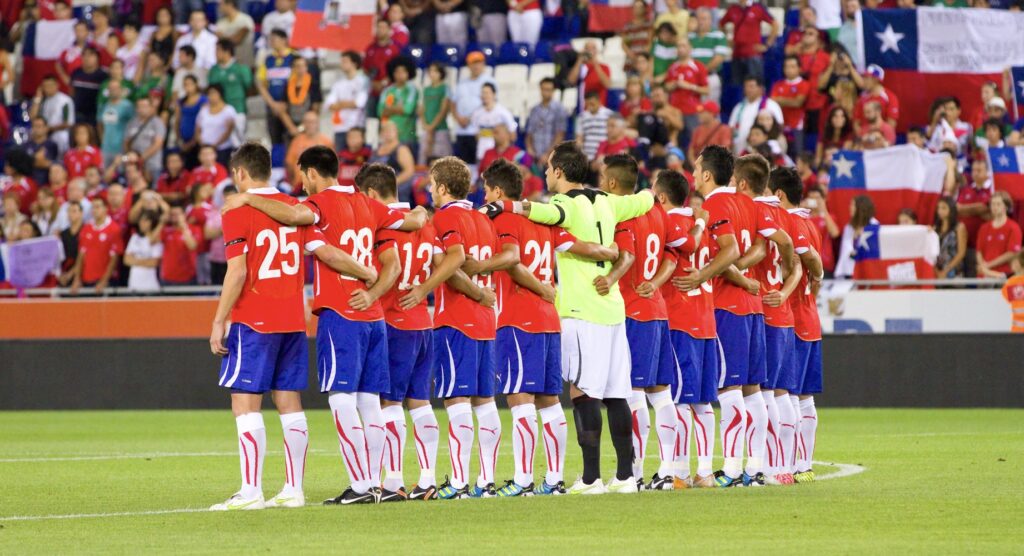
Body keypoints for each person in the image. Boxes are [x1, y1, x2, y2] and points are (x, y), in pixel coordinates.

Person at [222, 145, 426, 505]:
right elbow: (414, 223)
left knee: (342, 398)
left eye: (303, 175)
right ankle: (376, 482)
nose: (301, 183)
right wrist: (376, 285)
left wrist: (249, 201)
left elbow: (298, 221)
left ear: (312, 173)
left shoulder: (317, 207)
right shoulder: (369, 203)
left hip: (342, 310)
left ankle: (362, 485)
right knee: (370, 402)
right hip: (374, 316)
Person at [208, 142, 378, 511]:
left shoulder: (238, 209)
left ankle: (250, 491)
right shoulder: (297, 209)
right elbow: (321, 249)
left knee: (245, 402)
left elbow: (237, 271)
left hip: (254, 318)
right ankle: (292, 489)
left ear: (240, 173)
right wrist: (366, 271)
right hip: (293, 319)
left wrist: (220, 319)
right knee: (289, 403)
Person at [480, 142, 657, 495]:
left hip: (580, 310)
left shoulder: (564, 204)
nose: (546, 173)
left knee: (582, 393)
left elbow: (538, 212)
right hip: (613, 309)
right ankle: (625, 476)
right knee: (618, 394)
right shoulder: (609, 202)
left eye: (548, 168)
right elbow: (647, 198)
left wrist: (503, 205)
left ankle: (591, 478)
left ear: (559, 172)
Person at [377, 156, 495, 499]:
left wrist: (425, 289)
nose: (430, 190)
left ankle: (455, 483)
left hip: (455, 319)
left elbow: (453, 258)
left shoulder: (446, 217)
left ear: (443, 188)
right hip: (486, 319)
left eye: (432, 185)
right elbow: (502, 256)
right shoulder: (481, 217)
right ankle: (484, 481)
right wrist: (484, 293)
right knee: (484, 402)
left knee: (455, 400)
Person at [597, 155, 688, 490]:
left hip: (634, 312)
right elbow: (673, 254)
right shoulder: (657, 212)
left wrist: (610, 278)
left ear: (610, 183)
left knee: (633, 392)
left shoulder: (627, 214)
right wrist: (658, 282)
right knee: (660, 394)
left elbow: (626, 256)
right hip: (658, 311)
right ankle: (666, 470)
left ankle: (632, 472)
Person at [357, 163, 440, 501]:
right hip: (423, 321)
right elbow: (439, 262)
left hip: (393, 320)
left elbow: (390, 268)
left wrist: (372, 293)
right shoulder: (423, 223)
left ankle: (393, 481)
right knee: (420, 402)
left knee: (389, 402)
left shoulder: (384, 225)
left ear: (372, 194)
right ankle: (429, 478)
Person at [652, 170, 715, 488]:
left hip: (679, 319)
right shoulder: (699, 217)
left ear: (661, 197)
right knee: (702, 402)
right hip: (705, 317)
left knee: (676, 399)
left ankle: (679, 471)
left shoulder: (670, 223)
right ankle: (704, 472)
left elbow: (682, 252)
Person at [750, 167, 811, 485]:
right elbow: (800, 263)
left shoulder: (761, 214)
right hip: (785, 313)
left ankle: (772, 467)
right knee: (785, 395)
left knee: (767, 394)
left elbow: (765, 250)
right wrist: (786, 292)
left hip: (768, 312)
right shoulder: (788, 218)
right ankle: (787, 466)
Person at [768, 166, 824, 484]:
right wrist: (817, 275)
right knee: (802, 397)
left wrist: (814, 271)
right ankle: (802, 463)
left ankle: (791, 465)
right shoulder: (806, 222)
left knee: (786, 394)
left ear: (778, 194)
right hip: (808, 317)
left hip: (794, 317)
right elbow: (815, 267)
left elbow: (809, 260)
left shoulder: (789, 221)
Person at [70, 196, 123, 295]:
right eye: (93, 207)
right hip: (86, 279)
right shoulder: (86, 228)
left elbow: (114, 258)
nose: (94, 210)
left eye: (98, 207)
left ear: (106, 208)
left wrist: (104, 280)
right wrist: (77, 279)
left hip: (105, 281)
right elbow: (81, 255)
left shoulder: (114, 229)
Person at [451, 52, 497, 165]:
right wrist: (458, 118)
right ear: (468, 65)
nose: (476, 66)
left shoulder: (489, 82)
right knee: (463, 165)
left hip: (478, 131)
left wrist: (469, 118)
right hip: (461, 130)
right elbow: (453, 103)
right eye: (473, 63)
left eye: (479, 63)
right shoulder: (461, 83)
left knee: (480, 164)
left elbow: (489, 103)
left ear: (483, 64)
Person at [719, 0, 778, 86]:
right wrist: (727, 40)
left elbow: (775, 24)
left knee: (755, 84)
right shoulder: (733, 9)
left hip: (753, 54)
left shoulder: (757, 8)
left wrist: (767, 44)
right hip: (737, 54)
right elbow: (721, 24)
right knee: (737, 86)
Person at [664, 37, 709, 147]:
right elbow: (666, 87)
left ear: (690, 48)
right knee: (674, 142)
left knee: (694, 142)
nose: (680, 49)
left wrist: (689, 86)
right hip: (674, 111)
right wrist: (674, 85)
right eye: (678, 46)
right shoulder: (672, 67)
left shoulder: (698, 67)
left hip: (692, 110)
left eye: (683, 46)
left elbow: (706, 90)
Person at [257, 30, 297, 147]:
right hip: (272, 107)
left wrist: (286, 102)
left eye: (275, 39)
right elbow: (262, 84)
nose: (272, 42)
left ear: (284, 40)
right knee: (275, 139)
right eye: (271, 40)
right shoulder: (268, 59)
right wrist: (272, 104)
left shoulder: (294, 58)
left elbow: (297, 83)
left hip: (290, 106)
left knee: (292, 138)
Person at [325, 51, 369, 152]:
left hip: (357, 127)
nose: (342, 64)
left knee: (359, 162)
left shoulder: (363, 81)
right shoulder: (338, 83)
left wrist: (340, 104)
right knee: (340, 161)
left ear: (354, 63)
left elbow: (358, 103)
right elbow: (329, 105)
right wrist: (347, 103)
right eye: (341, 61)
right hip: (340, 128)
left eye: (345, 61)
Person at [728, 76, 784, 155]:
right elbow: (731, 128)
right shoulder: (738, 107)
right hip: (741, 149)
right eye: (746, 86)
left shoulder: (771, 105)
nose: (748, 89)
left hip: (765, 150)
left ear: (760, 88)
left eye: (751, 86)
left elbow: (779, 126)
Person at [976, 192, 1023, 278]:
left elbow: (1012, 253)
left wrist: (988, 265)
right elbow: (979, 251)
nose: (995, 207)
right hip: (984, 275)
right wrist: (983, 267)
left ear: (1006, 206)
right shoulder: (984, 228)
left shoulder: (1013, 227)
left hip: (1003, 274)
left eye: (998, 204)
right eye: (993, 204)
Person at [525, 78, 568, 171]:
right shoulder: (534, 110)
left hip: (552, 157)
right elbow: (529, 133)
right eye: (544, 89)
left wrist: (548, 154)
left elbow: (560, 134)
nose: (546, 92)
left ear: (553, 91)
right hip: (535, 156)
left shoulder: (559, 109)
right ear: (540, 89)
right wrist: (529, 149)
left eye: (549, 89)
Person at [771, 56, 810, 157]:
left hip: (796, 126)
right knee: (779, 155)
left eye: (792, 66)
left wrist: (780, 100)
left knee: (797, 155)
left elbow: (797, 103)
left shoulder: (804, 84)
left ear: (799, 69)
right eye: (787, 67)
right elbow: (772, 102)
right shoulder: (777, 85)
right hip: (780, 126)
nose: (789, 69)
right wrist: (790, 101)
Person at [689, 8, 729, 106]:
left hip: (710, 77)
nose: (701, 22)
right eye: (698, 19)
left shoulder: (718, 35)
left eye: (704, 19)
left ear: (710, 20)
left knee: (710, 107)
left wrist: (701, 73)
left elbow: (718, 58)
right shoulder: (689, 36)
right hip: (691, 79)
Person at [378, 57, 419, 149]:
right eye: (397, 71)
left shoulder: (412, 90)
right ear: (392, 73)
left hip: (407, 137)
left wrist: (390, 109)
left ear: (408, 73)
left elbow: (407, 110)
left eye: (403, 71)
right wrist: (399, 109)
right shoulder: (387, 91)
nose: (400, 74)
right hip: (389, 137)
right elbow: (381, 112)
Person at [470, 83, 517, 163]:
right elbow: (476, 134)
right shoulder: (476, 113)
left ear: (494, 94)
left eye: (487, 93)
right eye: (483, 93)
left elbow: (512, 135)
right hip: (482, 154)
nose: (485, 95)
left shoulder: (503, 112)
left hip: (500, 156)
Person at [372, 121, 418, 203]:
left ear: (396, 132)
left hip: (397, 192)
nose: (387, 133)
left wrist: (392, 183)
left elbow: (409, 171)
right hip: (377, 191)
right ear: (381, 133)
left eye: (390, 130)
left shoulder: (402, 149)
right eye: (385, 130)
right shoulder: (377, 150)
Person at [284, 111, 333, 186]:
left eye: (313, 122)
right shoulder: (296, 141)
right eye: (307, 122)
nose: (310, 125)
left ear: (318, 123)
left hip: (321, 186)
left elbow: (333, 166)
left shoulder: (326, 142)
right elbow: (289, 164)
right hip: (299, 185)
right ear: (303, 123)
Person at [195, 84, 240, 167]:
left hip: (222, 149)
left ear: (220, 94)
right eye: (209, 94)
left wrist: (214, 145)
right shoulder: (204, 110)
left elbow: (228, 131)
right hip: (204, 149)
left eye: (214, 93)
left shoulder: (229, 110)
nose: (211, 96)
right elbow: (197, 129)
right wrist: (202, 145)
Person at [835, 195, 878, 279]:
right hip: (848, 272)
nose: (849, 207)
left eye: (852, 205)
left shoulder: (874, 226)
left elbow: (872, 252)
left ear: (861, 207)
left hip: (866, 271)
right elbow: (845, 251)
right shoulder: (849, 227)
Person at [30, 75, 75, 155]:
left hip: (58, 133)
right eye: (45, 86)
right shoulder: (43, 100)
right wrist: (37, 99)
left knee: (61, 138)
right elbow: (33, 117)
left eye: (50, 85)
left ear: (57, 85)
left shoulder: (65, 100)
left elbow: (68, 123)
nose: (48, 88)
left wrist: (49, 128)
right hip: (43, 134)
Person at [364, 20, 401, 117]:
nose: (381, 30)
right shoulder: (370, 48)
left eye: (383, 27)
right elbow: (365, 68)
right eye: (379, 27)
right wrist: (373, 82)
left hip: (389, 91)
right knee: (371, 120)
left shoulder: (394, 49)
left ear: (389, 30)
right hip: (372, 90)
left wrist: (384, 82)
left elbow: (397, 69)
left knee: (386, 118)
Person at [125, 97, 167, 181]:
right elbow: (126, 142)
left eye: (145, 106)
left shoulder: (157, 123)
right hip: (134, 166)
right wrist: (129, 155)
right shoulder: (132, 122)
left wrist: (141, 158)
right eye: (139, 106)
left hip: (152, 164)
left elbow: (158, 143)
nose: (141, 109)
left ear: (151, 108)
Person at [208, 40, 253, 117]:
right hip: (218, 112)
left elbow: (249, 87)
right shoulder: (214, 70)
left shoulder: (241, 69)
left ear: (227, 51)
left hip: (237, 109)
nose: (215, 53)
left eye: (218, 50)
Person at [98, 80, 135, 169]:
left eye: (116, 88)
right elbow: (100, 124)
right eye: (111, 88)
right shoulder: (104, 105)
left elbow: (133, 125)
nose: (113, 90)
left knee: (121, 173)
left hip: (121, 149)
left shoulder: (127, 106)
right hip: (105, 148)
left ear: (121, 90)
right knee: (105, 174)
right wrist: (102, 139)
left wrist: (127, 145)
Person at [853, 65, 899, 134]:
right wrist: (863, 138)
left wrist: (879, 138)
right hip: (863, 139)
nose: (864, 81)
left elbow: (891, 124)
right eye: (864, 77)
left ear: (876, 79)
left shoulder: (890, 97)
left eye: (867, 78)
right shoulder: (862, 98)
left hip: (883, 139)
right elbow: (856, 123)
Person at [124, 211, 163, 292]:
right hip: (134, 284)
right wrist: (146, 261)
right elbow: (126, 260)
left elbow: (154, 262)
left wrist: (135, 260)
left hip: (151, 285)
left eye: (145, 221)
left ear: (152, 222)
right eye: (141, 221)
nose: (142, 223)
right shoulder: (134, 238)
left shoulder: (157, 240)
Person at [69, 47, 108, 126]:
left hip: (95, 116)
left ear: (97, 58)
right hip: (78, 115)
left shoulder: (103, 76)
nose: (87, 58)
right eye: (84, 55)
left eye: (90, 55)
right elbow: (71, 91)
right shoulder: (76, 73)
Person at [568, 40, 612, 107]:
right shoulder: (580, 67)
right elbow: (571, 80)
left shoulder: (604, 67)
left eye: (593, 48)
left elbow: (607, 84)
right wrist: (579, 60)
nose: (590, 50)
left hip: (599, 107)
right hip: (582, 107)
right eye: (587, 48)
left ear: (597, 51)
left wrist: (595, 63)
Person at [933, 197, 967, 278]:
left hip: (954, 270)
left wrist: (946, 270)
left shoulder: (959, 227)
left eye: (943, 208)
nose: (940, 211)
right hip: (937, 271)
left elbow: (961, 252)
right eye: (939, 208)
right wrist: (936, 271)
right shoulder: (935, 229)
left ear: (951, 209)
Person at [577, 91, 615, 162]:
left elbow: (613, 136)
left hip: (604, 156)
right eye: (587, 104)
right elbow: (579, 138)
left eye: (592, 104)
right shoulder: (581, 117)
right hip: (587, 157)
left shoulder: (609, 115)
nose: (590, 106)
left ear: (599, 101)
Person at [216, 0, 255, 68]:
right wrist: (232, 37)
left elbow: (237, 40)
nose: (219, 7)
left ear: (230, 5)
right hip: (227, 65)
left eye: (221, 4)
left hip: (245, 62)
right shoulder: (221, 22)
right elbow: (219, 41)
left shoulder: (245, 19)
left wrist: (224, 38)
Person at [24, 117, 60, 187]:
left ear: (46, 128)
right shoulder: (26, 145)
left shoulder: (52, 145)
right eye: (35, 126)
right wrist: (36, 159)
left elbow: (48, 164)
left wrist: (31, 160)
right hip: (29, 183)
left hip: (46, 183)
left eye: (40, 126)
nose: (37, 128)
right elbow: (23, 165)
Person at [620, 0, 653, 72]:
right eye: (635, 7)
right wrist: (632, 55)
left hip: (644, 62)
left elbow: (650, 43)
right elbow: (624, 44)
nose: (637, 9)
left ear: (644, 9)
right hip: (630, 62)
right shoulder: (628, 26)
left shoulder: (649, 25)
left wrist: (641, 57)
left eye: (640, 7)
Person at [57, 201, 84, 286]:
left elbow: (85, 257)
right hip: (64, 273)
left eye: (74, 211)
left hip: (81, 274)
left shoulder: (86, 232)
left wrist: (71, 274)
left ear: (81, 213)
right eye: (69, 211)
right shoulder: (63, 234)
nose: (71, 214)